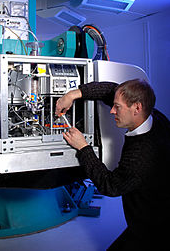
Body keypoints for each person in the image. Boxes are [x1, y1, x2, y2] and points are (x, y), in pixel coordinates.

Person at [55, 79, 170, 250]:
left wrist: (83, 147)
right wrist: (72, 95)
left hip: (151, 226)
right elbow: (110, 90)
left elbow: (110, 186)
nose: (111, 111)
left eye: (117, 107)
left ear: (137, 108)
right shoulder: (154, 116)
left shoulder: (142, 155)